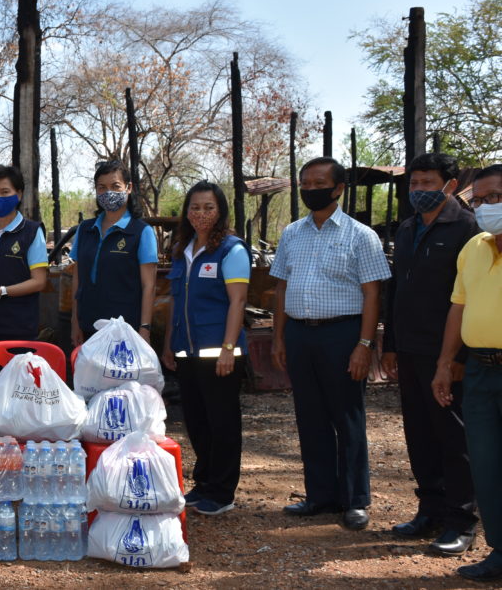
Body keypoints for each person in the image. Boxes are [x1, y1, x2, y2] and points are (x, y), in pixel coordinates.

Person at [270, 157, 390, 531]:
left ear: (338, 188)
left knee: (347, 417)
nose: (310, 189)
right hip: (300, 334)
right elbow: (281, 287)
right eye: (304, 184)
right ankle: (320, 495)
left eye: (318, 183)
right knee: (310, 416)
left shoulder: (361, 235)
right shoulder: (292, 233)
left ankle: (354, 500)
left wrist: (365, 345)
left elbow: (372, 294)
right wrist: (278, 336)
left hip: (342, 334)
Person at [380, 153, 478, 554]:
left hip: (448, 354)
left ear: (450, 185)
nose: (418, 191)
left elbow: (469, 299)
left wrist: (455, 358)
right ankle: (430, 511)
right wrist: (389, 345)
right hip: (409, 348)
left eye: (427, 183)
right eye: (414, 183)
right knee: (419, 433)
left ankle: (462, 521)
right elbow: (396, 291)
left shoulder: (468, 230)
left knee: (453, 438)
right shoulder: (406, 229)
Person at [161, 181, 249, 517]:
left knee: (222, 421)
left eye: (208, 208)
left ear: (221, 211)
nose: (201, 214)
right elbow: (175, 301)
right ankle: (204, 482)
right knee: (197, 421)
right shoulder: (182, 248)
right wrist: (170, 343)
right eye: (195, 207)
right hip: (187, 351)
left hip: (219, 353)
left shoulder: (231, 250)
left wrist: (228, 347)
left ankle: (223, 490)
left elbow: (238, 301)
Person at [433, 164, 502, 582]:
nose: (489, 206)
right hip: (479, 372)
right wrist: (445, 363)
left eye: (498, 197)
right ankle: (499, 552)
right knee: (487, 465)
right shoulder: (473, 247)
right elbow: (458, 307)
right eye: (481, 200)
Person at [70, 160, 158, 345]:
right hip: (88, 326)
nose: (108, 192)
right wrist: (74, 321)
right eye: (101, 187)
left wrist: (145, 328)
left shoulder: (142, 232)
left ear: (128, 188)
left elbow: (149, 286)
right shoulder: (85, 229)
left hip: (126, 330)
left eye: (115, 186)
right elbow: (78, 279)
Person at [0, 165, 48, 343]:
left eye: (5, 192)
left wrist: (0, 291)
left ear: (18, 194)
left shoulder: (32, 232)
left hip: (20, 328)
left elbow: (39, 282)